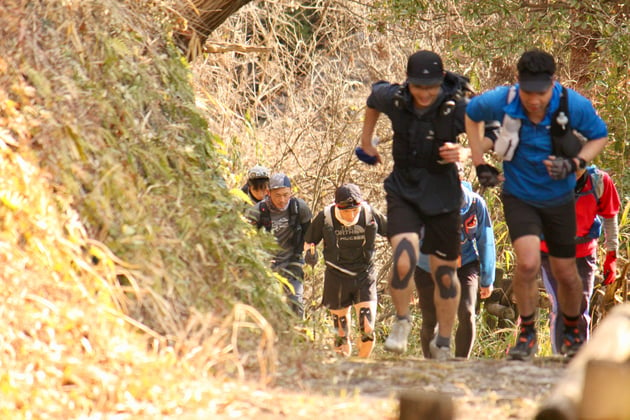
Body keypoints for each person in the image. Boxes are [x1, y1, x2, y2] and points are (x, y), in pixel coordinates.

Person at [466, 48, 608, 359]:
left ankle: (572, 331)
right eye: (528, 91)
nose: (534, 100)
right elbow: (471, 114)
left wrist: (575, 162)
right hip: (520, 197)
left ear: (552, 83)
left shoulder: (571, 104)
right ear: (519, 83)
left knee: (565, 272)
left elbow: (600, 135)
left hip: (559, 199)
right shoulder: (503, 100)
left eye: (541, 92)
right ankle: (527, 333)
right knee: (528, 263)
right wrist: (480, 163)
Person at [357, 50, 475, 359]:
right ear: (408, 83)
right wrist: (366, 140)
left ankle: (444, 343)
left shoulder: (455, 108)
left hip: (444, 194)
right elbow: (372, 100)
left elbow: (484, 135)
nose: (424, 94)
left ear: (440, 84)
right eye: (418, 87)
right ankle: (401, 321)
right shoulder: (395, 99)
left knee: (446, 275)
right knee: (404, 255)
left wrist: (463, 153)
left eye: (431, 88)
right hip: (404, 189)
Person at [540, 165, 620, 354]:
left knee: (580, 308)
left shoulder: (599, 181)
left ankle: (578, 361)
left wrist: (612, 255)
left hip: (584, 253)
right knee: (561, 307)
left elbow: (610, 216)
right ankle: (560, 361)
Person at [303, 184, 387, 358]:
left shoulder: (370, 213)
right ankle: (344, 368)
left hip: (364, 276)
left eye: (354, 210)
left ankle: (361, 365)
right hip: (336, 276)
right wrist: (310, 253)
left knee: (367, 330)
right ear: (336, 206)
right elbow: (309, 240)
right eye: (345, 211)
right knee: (341, 335)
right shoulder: (326, 216)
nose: (350, 215)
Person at [415, 179, 496, 359]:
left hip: (465, 264)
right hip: (428, 266)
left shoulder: (476, 204)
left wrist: (487, 279)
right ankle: (432, 365)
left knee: (467, 312)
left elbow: (486, 241)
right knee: (431, 320)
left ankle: (461, 365)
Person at [247, 173, 312, 317]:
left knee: (295, 304)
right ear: (268, 193)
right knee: (269, 308)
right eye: (277, 195)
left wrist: (311, 252)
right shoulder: (256, 212)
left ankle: (298, 336)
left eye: (285, 194)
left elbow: (310, 235)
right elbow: (246, 240)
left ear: (291, 192)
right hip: (266, 265)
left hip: (292, 261)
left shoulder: (299, 207)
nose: (282, 200)